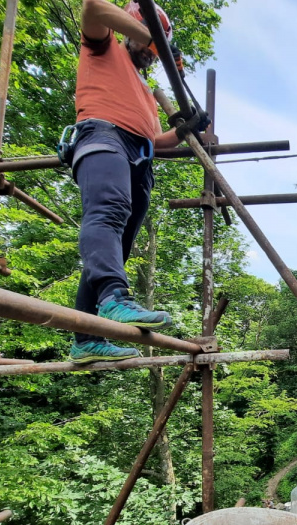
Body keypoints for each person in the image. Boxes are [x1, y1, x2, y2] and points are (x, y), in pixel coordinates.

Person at [68, 0, 206, 363]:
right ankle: (114, 298)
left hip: (140, 155)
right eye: (145, 43)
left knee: (119, 244)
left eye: (154, 48)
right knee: (108, 213)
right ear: (130, 30)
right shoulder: (103, 47)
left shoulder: (145, 91)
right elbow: (93, 7)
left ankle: (85, 338)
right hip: (103, 135)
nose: (149, 52)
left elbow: (154, 141)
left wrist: (183, 131)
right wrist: (155, 37)